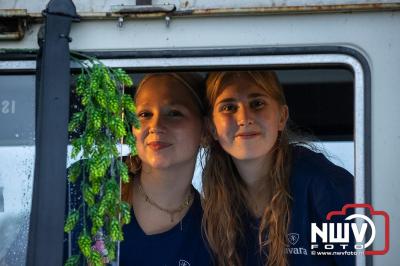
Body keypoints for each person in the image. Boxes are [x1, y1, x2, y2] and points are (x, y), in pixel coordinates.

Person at [202, 71, 354, 266]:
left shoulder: (326, 186)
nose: (244, 118)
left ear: (282, 117)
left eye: (257, 103)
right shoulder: (215, 202)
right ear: (212, 128)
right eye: (229, 107)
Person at [120, 72, 212, 265]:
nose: (156, 125)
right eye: (145, 114)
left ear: (205, 130)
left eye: (174, 113)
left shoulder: (212, 234)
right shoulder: (87, 184)